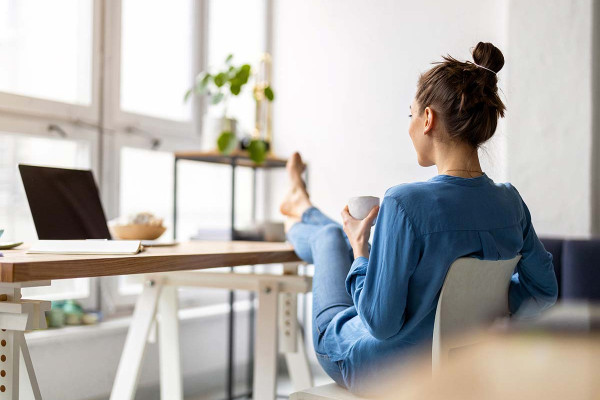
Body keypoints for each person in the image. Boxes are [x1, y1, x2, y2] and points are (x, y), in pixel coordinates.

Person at [279, 42, 558, 395]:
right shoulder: (510, 203)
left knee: (330, 239)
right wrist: (483, 310)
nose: (409, 126)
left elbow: (380, 324)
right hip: (462, 367)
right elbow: (544, 292)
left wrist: (361, 253)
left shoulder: (404, 203)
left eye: (410, 115)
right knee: (334, 236)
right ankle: (302, 207)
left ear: (428, 119)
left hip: (382, 369)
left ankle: (300, 212)